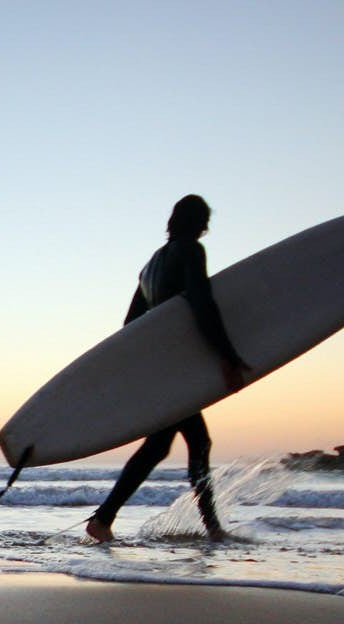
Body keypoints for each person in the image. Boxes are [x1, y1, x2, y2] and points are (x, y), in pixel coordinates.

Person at [86, 194, 252, 542]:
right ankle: (211, 528)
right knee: (192, 442)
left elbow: (131, 324)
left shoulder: (150, 267)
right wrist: (228, 356)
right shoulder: (191, 251)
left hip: (162, 369)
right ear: (199, 223)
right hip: (176, 371)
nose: (206, 229)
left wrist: (141, 369)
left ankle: (105, 519)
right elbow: (202, 303)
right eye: (205, 222)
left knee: (166, 444)